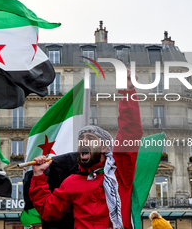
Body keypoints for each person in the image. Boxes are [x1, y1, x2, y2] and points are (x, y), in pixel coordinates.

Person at [29, 70, 143, 229]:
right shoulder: (71, 182)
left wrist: (129, 92)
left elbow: (130, 132)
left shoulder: (120, 173)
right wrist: (38, 175)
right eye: (81, 139)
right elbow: (49, 211)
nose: (83, 142)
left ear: (104, 147)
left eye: (90, 139)